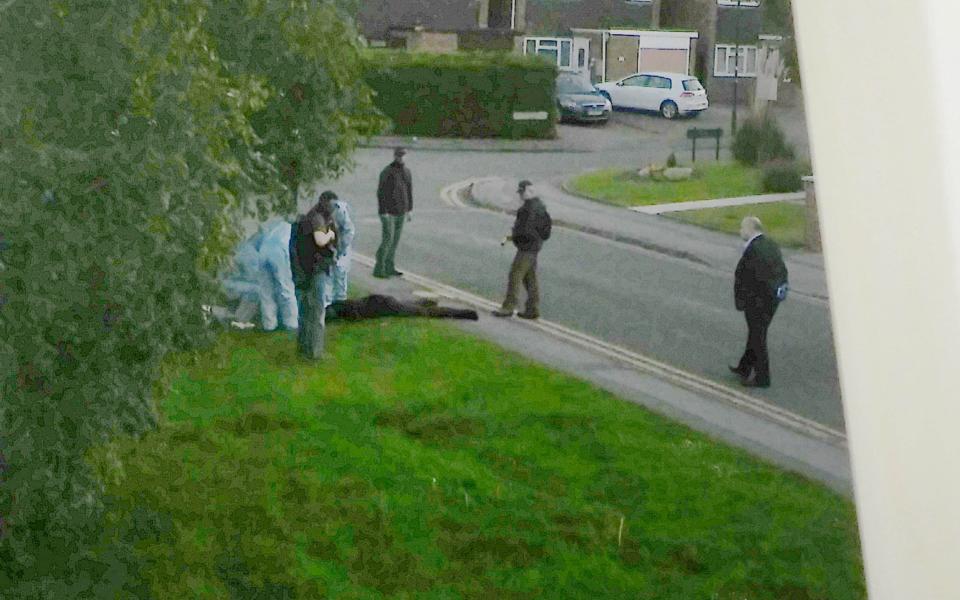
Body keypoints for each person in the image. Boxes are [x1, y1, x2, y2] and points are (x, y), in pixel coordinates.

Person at [729, 216, 789, 388]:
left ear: (750, 229)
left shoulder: (754, 250)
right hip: (771, 300)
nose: (740, 231)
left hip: (758, 301)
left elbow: (749, 277)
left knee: (758, 337)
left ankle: (763, 378)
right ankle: (744, 367)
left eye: (742, 228)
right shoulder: (770, 244)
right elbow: (781, 271)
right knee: (755, 333)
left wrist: (743, 301)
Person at [289, 191, 339, 360]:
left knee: (305, 312)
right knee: (317, 313)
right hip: (316, 271)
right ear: (326, 203)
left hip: (303, 270)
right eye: (333, 205)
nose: (334, 209)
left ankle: (303, 349)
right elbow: (320, 240)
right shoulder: (317, 219)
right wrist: (330, 234)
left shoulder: (309, 217)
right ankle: (315, 353)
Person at [493, 180, 552, 320]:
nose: (520, 195)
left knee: (515, 275)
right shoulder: (540, 206)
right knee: (530, 278)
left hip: (526, 248)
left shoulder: (528, 209)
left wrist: (515, 237)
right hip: (535, 247)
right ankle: (533, 308)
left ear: (527, 192)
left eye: (521, 192)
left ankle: (508, 307)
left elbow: (525, 229)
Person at [373, 147, 412, 279]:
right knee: (387, 240)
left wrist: (410, 209)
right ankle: (379, 268)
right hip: (388, 212)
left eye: (403, 156)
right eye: (398, 156)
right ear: (394, 156)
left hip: (401, 211)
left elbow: (409, 191)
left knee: (395, 241)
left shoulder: (407, 172)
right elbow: (381, 192)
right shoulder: (387, 172)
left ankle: (390, 267)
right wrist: (383, 211)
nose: (400, 158)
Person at [257, 218, 298, 332]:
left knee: (266, 291)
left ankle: (269, 324)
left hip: (263, 251)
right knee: (285, 288)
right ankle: (291, 323)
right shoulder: (293, 231)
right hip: (279, 252)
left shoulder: (277, 227)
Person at [328, 295, 478, 322]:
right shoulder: (340, 304)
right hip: (380, 301)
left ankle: (467, 314)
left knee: (422, 313)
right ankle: (427, 301)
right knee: (410, 305)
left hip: (384, 307)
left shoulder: (346, 312)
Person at [330, 195, 356, 303]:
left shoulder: (340, 211)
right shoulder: (326, 213)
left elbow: (348, 231)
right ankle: (332, 302)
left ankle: (340, 302)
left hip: (341, 249)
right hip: (332, 247)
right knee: (332, 277)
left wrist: (340, 249)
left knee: (340, 273)